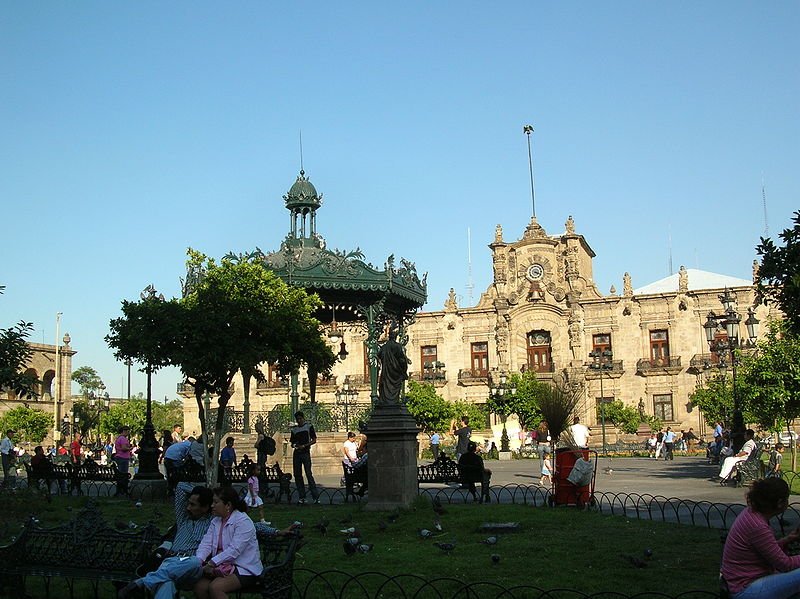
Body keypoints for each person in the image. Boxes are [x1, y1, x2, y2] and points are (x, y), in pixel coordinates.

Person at [117, 482, 214, 599]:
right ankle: (143, 584)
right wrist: (199, 491)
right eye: (188, 503)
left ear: (205, 507)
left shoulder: (212, 522)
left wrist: (207, 495)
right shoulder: (183, 519)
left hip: (191, 567)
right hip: (171, 561)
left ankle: (141, 583)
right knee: (166, 584)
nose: (188, 507)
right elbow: (180, 487)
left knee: (194, 561)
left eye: (193, 505)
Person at [720, 477, 800, 598]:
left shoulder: (751, 513)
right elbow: (785, 564)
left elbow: (766, 551)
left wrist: (787, 540)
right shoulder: (757, 526)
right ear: (779, 503)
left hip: (737, 582)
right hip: (744, 589)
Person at [193, 487, 263, 599]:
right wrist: (198, 561)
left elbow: (234, 550)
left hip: (244, 569)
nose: (212, 506)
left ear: (228, 505)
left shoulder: (243, 521)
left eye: (216, 502)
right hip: (221, 567)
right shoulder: (215, 521)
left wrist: (211, 563)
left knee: (216, 587)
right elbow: (206, 544)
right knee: (200, 586)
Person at [290, 411, 319, 504]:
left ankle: (315, 496)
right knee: (297, 475)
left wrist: (305, 445)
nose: (299, 421)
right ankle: (302, 496)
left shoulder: (309, 427)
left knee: (308, 474)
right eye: (297, 419)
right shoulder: (294, 430)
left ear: (303, 418)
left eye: (300, 419)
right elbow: (292, 442)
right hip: (297, 453)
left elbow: (314, 440)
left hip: (305, 452)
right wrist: (295, 445)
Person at [377, 322, 410, 403]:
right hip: (395, 374)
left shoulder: (384, 347)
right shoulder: (397, 346)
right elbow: (402, 360)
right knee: (395, 390)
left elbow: (379, 355)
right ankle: (394, 402)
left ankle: (386, 402)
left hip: (386, 373)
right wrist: (404, 370)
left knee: (384, 389)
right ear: (395, 337)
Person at [114, 426, 133, 497]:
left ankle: (120, 490)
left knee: (120, 474)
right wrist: (130, 448)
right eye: (128, 431)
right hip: (123, 457)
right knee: (123, 475)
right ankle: (123, 490)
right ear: (124, 431)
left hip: (119, 457)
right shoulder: (123, 439)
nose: (128, 433)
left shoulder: (118, 438)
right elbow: (124, 448)